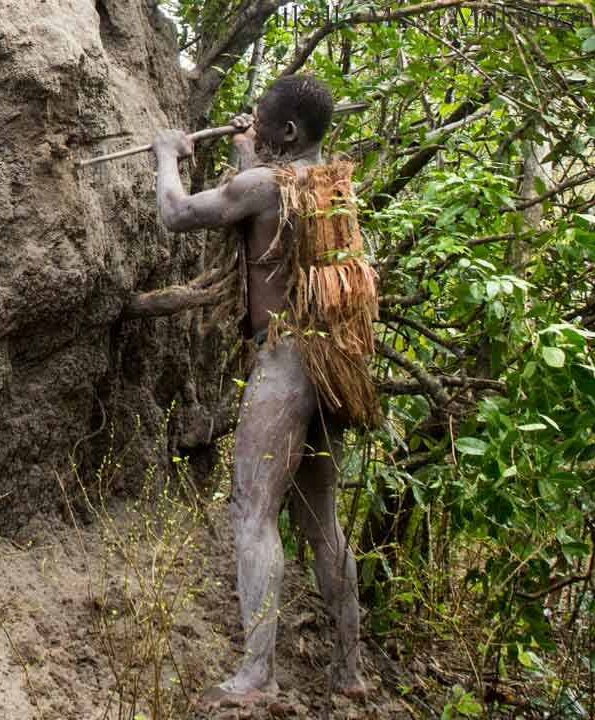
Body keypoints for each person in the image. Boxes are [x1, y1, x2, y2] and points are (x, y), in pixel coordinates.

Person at [150, 75, 373, 706]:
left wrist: (168, 153)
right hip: (332, 364)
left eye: (262, 120)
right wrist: (253, 155)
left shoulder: (262, 187)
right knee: (322, 521)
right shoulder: (330, 182)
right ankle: (349, 670)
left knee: (253, 513)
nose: (253, 123)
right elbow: (271, 215)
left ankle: (257, 674)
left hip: (284, 365)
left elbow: (176, 213)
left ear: (288, 132)